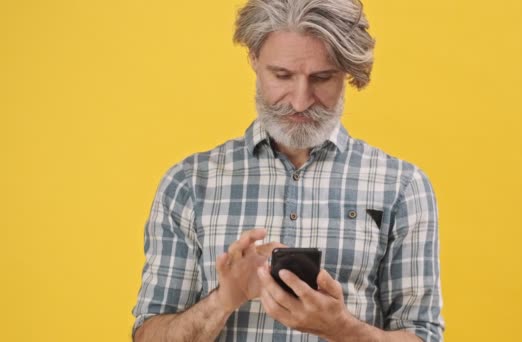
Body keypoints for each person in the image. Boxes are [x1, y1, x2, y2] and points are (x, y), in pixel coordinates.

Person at [132, 0, 444, 341]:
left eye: (322, 78)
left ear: (347, 72)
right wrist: (223, 299)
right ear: (253, 58)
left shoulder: (402, 186)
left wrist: (341, 328)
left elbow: (423, 335)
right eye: (282, 75)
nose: (300, 101)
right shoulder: (189, 184)